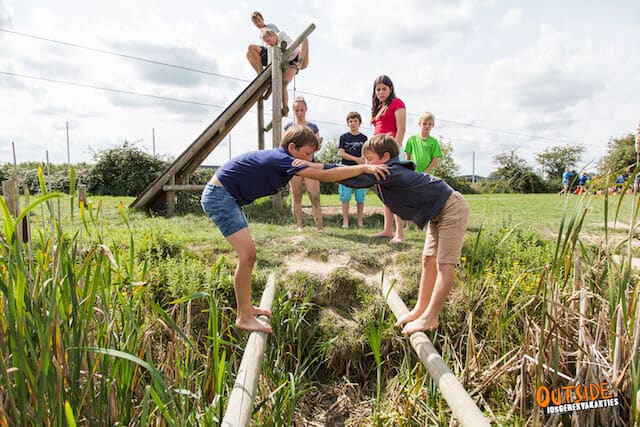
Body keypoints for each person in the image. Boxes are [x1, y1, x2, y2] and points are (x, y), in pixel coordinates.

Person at [200, 125, 389, 333]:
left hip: (226, 196)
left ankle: (247, 308)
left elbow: (321, 168)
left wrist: (360, 169)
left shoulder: (286, 158)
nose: (310, 158)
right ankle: (243, 315)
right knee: (248, 255)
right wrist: (362, 168)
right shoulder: (281, 159)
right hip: (220, 196)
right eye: (308, 153)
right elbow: (323, 176)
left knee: (248, 255)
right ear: (292, 147)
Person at [301, 134, 469, 334]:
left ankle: (431, 317)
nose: (366, 164)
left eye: (369, 160)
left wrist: (306, 168)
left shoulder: (390, 171)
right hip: (436, 213)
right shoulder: (384, 170)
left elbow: (349, 176)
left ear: (386, 156)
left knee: (444, 264)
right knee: (427, 260)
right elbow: (345, 170)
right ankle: (419, 310)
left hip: (451, 208)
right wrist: (308, 165)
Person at [370, 75, 406, 244]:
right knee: (384, 192)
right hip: (377, 154)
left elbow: (401, 129)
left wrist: (394, 151)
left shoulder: (397, 103)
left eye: (384, 88)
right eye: (378, 89)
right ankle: (387, 230)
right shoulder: (379, 107)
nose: (381, 92)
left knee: (396, 192)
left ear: (390, 89)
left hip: (390, 153)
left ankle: (399, 233)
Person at [285, 96, 323, 231]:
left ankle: (319, 227)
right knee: (296, 196)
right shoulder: (288, 127)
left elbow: (317, 146)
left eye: (302, 110)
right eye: (296, 110)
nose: (299, 113)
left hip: (310, 166)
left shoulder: (313, 127)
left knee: (315, 197)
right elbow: (284, 147)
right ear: (293, 111)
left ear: (306, 109)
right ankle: (299, 226)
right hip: (294, 167)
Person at [261, 27, 309, 116]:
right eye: (267, 42)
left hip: (297, 58)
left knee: (304, 37)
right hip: (289, 65)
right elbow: (270, 64)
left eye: (269, 40)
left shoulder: (281, 35)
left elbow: (292, 46)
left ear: (274, 35)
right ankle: (285, 108)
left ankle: (299, 62)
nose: (269, 43)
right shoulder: (270, 48)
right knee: (284, 83)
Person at [338, 111, 368, 228]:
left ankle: (360, 221)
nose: (353, 123)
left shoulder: (364, 138)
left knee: (360, 197)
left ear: (359, 123)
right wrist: (355, 159)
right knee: (345, 197)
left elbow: (366, 153)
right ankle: (345, 222)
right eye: (350, 121)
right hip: (345, 170)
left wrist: (363, 160)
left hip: (360, 170)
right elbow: (341, 153)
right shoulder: (343, 137)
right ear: (348, 123)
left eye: (355, 121)